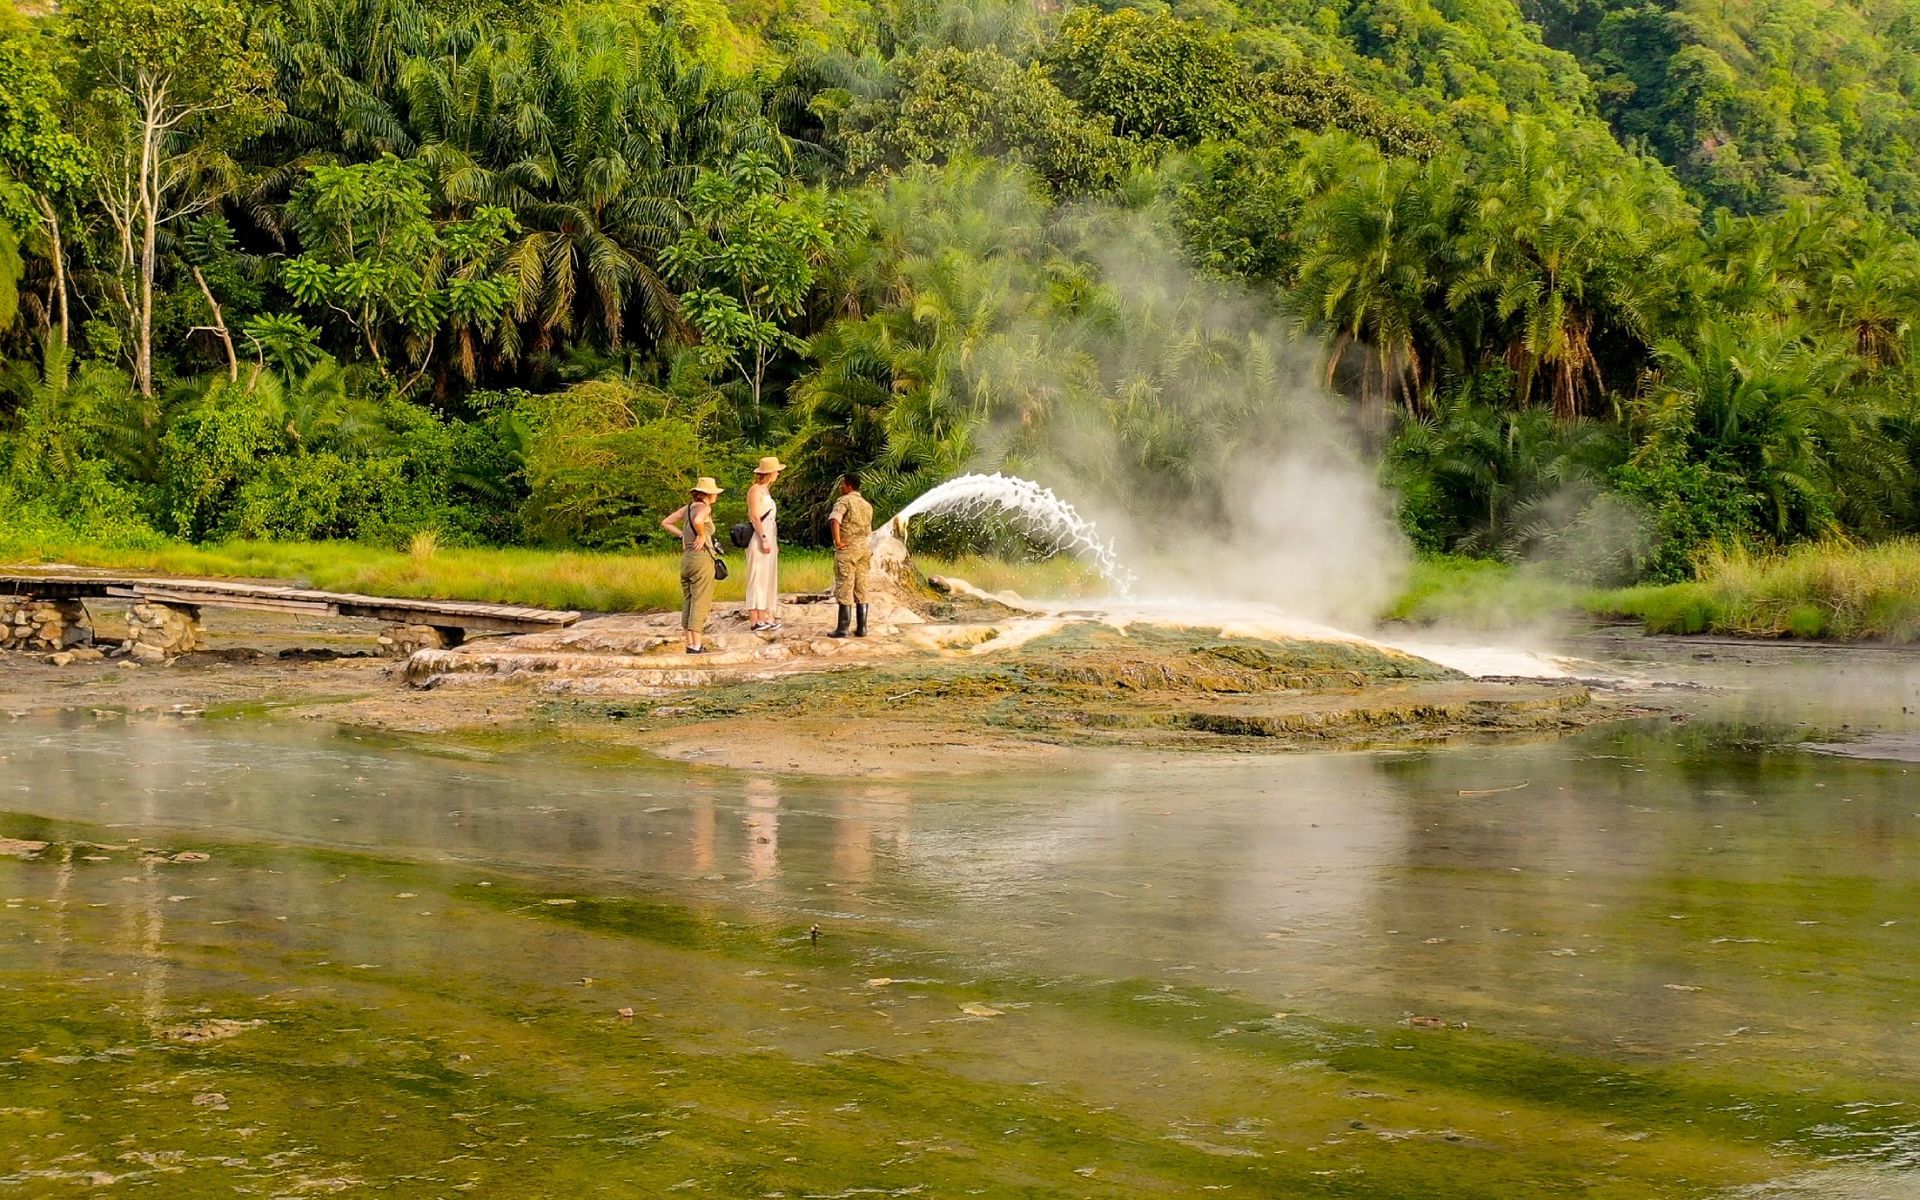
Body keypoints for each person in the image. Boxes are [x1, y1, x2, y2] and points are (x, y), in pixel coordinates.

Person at [661, 477, 723, 654]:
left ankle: (689, 643)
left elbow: (666, 522)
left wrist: (682, 535)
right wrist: (702, 535)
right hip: (701, 558)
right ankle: (697, 644)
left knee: (688, 599)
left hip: (687, 558)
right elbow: (698, 521)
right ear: (708, 495)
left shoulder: (687, 508)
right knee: (700, 600)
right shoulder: (705, 508)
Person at [827, 472, 874, 638]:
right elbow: (868, 530)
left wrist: (838, 541)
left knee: (845, 586)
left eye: (842, 484)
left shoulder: (844, 501)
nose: (840, 487)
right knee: (862, 586)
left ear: (848, 485)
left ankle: (843, 628)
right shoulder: (867, 505)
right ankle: (862, 628)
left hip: (848, 549)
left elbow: (835, 520)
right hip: (864, 549)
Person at [744, 456, 784, 632]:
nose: (778, 474)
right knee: (757, 577)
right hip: (759, 537)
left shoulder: (766, 491)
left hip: (769, 535)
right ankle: (755, 619)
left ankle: (765, 615)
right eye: (776, 471)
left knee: (767, 577)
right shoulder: (755, 490)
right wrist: (764, 538)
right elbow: (754, 516)